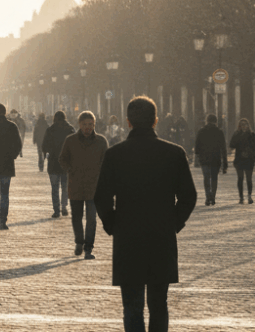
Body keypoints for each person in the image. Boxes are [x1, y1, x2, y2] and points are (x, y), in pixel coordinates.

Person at [94, 96, 197, 332]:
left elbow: (101, 196)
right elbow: (188, 196)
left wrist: (113, 224)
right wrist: (174, 222)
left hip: (128, 236)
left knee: (132, 306)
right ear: (156, 121)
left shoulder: (115, 154)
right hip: (161, 236)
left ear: (128, 122)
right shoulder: (174, 153)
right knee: (159, 304)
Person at [59, 111, 108, 259]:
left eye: (91, 125)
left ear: (94, 125)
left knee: (92, 218)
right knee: (76, 217)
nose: (88, 127)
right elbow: (62, 159)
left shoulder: (101, 141)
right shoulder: (70, 140)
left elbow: (107, 162)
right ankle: (79, 241)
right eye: (85, 125)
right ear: (79, 125)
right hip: (76, 185)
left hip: (94, 187)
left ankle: (88, 248)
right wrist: (70, 169)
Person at [42, 111, 73, 218]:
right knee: (65, 187)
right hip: (66, 163)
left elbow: (44, 146)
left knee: (54, 188)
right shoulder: (70, 129)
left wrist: (46, 154)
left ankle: (56, 210)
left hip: (53, 163)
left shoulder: (50, 130)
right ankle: (64, 207)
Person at [194, 114, 227, 206]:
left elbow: (197, 146)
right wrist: (225, 162)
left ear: (206, 121)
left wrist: (197, 157)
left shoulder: (201, 131)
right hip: (215, 158)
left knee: (206, 178)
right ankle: (213, 196)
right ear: (216, 122)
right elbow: (223, 148)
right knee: (214, 178)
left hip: (204, 159)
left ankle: (208, 196)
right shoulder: (219, 132)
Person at [229, 118, 255, 204]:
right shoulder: (236, 134)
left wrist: (253, 154)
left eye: (245, 124)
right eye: (242, 124)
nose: (244, 126)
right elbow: (231, 145)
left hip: (249, 160)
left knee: (249, 179)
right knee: (240, 178)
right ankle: (241, 197)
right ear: (239, 126)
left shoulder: (252, 135)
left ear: (248, 125)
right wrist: (237, 136)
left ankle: (249, 196)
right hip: (239, 160)